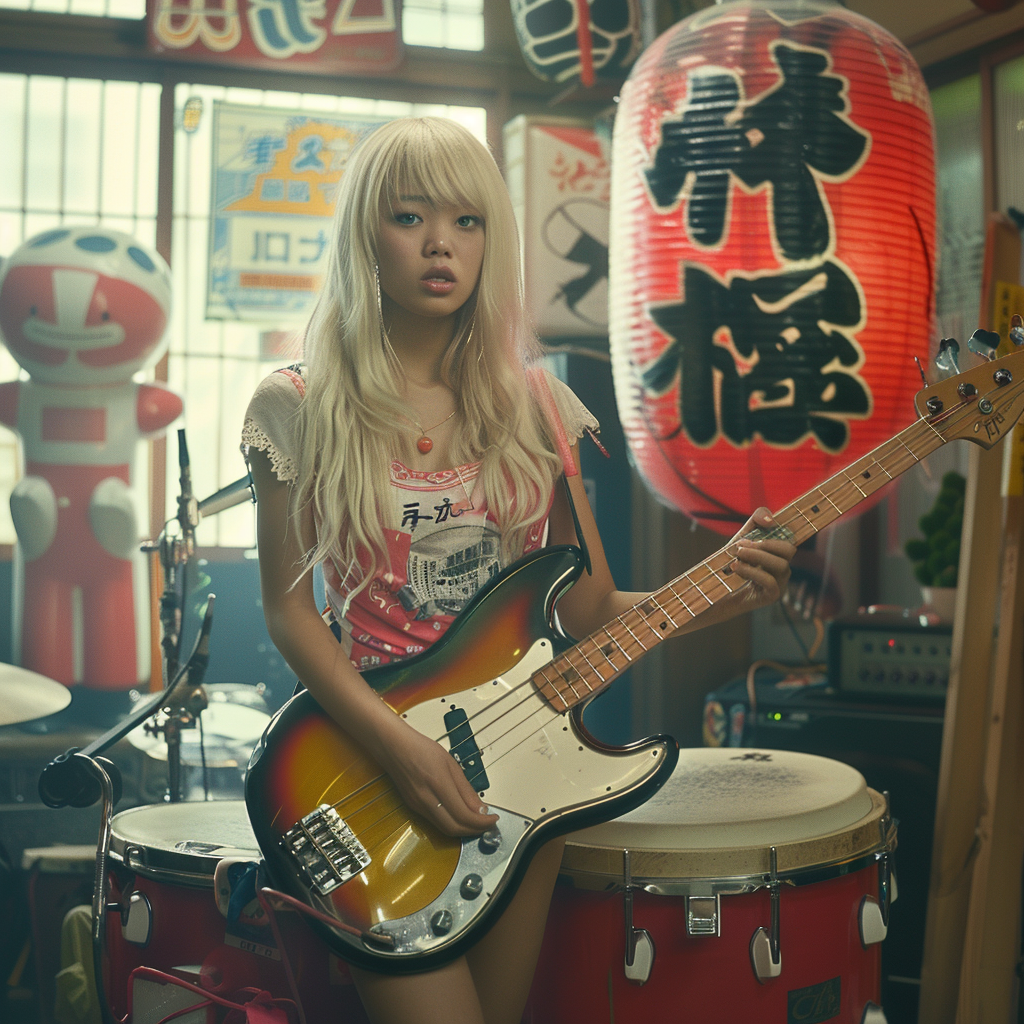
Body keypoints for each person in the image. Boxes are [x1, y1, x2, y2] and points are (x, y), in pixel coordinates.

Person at [242, 116, 796, 1024]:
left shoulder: (538, 405)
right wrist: (402, 746)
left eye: (468, 222)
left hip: (521, 769)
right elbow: (291, 615)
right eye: (409, 217)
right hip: (365, 767)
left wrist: (728, 586)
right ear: (364, 236)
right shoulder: (297, 405)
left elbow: (591, 610)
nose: (439, 245)